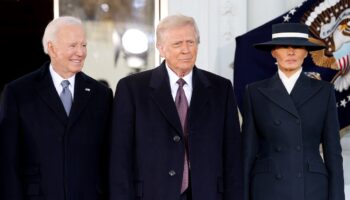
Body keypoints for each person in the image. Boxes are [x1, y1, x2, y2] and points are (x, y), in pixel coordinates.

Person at [109, 14, 242, 200]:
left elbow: (233, 157)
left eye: (191, 42)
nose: (186, 50)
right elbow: (120, 158)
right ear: (160, 48)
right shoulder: (132, 89)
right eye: (178, 44)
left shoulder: (222, 89)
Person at [0, 16, 113, 200]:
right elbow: (7, 160)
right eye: (73, 45)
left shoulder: (101, 95)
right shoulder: (18, 93)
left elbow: (108, 158)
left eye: (83, 45)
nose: (81, 52)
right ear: (51, 48)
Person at [242, 23, 345, 200]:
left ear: (306, 52)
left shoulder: (324, 91)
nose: (291, 52)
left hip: (312, 188)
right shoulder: (254, 92)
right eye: (283, 46)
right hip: (267, 189)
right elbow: (247, 152)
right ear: (274, 52)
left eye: (297, 46)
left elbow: (333, 153)